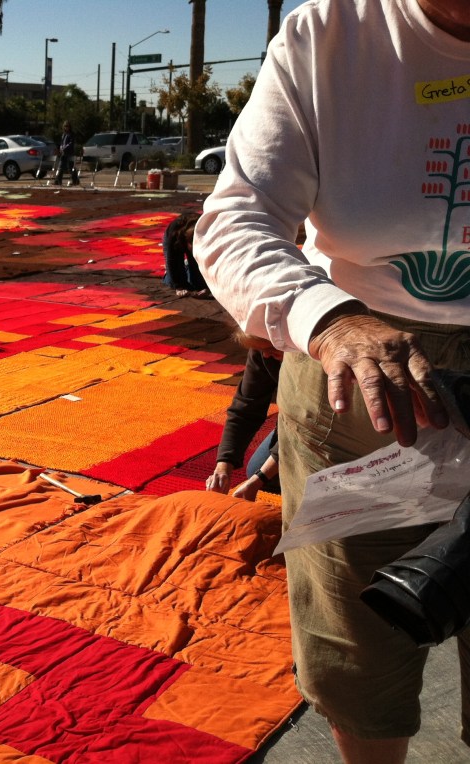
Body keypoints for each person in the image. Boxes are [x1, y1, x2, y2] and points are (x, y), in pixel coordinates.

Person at [193, 1, 468, 761]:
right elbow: (235, 217)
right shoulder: (330, 34)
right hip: (364, 387)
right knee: (358, 639)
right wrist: (328, 318)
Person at [205, 331, 283, 501]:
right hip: (294, 419)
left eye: (270, 348)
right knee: (259, 468)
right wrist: (224, 464)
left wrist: (258, 479)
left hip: (340, 424)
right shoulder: (264, 348)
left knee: (272, 473)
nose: (265, 355)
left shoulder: (314, 361)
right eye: (260, 350)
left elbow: (307, 424)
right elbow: (246, 405)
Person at [162, 212, 207, 297]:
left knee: (196, 281)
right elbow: (171, 261)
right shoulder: (172, 236)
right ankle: (167, 275)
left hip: (192, 234)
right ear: (187, 242)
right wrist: (178, 286)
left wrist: (205, 286)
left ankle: (187, 268)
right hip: (174, 237)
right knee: (176, 273)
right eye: (192, 246)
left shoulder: (205, 232)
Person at [53, 121, 77, 186]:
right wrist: (59, 148)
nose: (67, 127)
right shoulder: (63, 134)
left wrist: (64, 147)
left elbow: (71, 143)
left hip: (70, 153)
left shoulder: (71, 134)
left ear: (70, 127)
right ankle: (58, 181)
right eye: (65, 126)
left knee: (71, 167)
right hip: (63, 153)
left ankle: (75, 181)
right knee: (61, 166)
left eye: (68, 126)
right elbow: (61, 143)